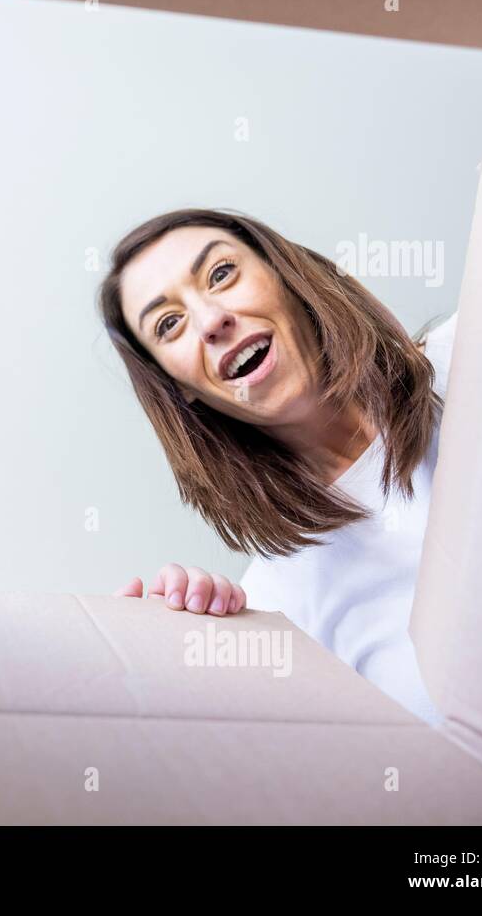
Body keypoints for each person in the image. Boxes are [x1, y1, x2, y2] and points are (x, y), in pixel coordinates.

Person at [98, 208, 453, 725]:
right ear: (180, 390)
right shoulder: (277, 612)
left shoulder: (481, 352)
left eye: (221, 273)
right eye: (169, 324)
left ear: (288, 277)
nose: (211, 320)